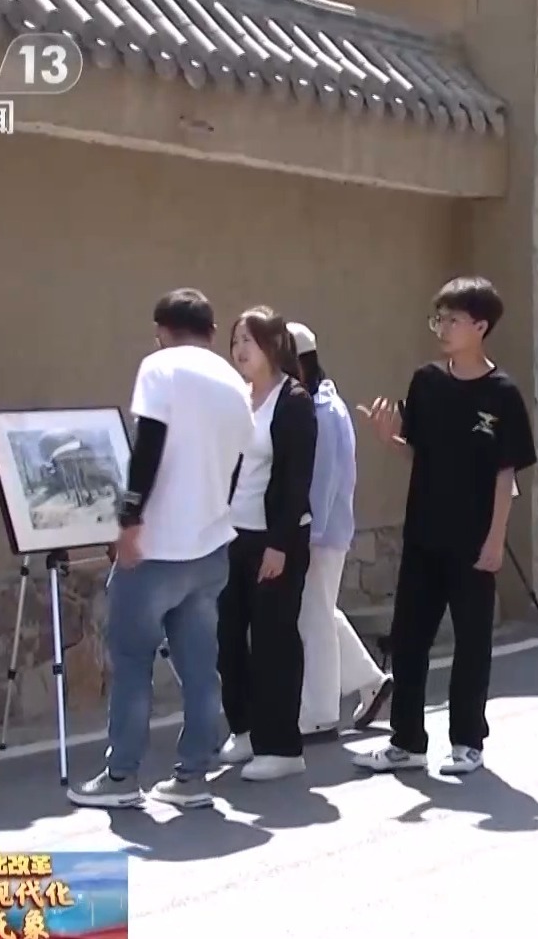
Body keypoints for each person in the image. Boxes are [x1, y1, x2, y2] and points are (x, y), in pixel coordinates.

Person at [70, 289, 256, 810]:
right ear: (212, 332)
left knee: (133, 662)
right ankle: (193, 777)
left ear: (161, 330)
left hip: (158, 546)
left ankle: (122, 776)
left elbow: (147, 447)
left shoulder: (160, 368)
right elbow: (237, 466)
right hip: (210, 547)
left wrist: (129, 520)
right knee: (200, 669)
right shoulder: (234, 383)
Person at [354, 277, 536, 776]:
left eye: (453, 320)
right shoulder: (427, 382)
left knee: (471, 643)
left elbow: (505, 474)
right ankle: (406, 742)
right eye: (439, 318)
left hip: (474, 540)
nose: (443, 328)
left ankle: (467, 743)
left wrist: (496, 539)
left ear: (481, 326)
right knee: (408, 639)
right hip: (423, 535)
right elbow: (416, 450)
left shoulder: (503, 394)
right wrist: (388, 437)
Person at [216, 307, 318, 781]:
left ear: (273, 345)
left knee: (274, 640)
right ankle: (245, 728)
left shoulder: (293, 400)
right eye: (236, 340)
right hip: (231, 534)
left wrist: (279, 543)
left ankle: (282, 746)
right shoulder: (237, 396)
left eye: (250, 341)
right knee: (228, 637)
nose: (240, 350)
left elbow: (297, 478)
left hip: (276, 537)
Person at [290, 322, 392, 737]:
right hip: (317, 532)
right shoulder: (316, 404)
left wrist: (306, 534)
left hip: (319, 534)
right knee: (319, 612)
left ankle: (318, 713)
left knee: (313, 620)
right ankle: (371, 680)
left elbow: (324, 481)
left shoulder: (324, 412)